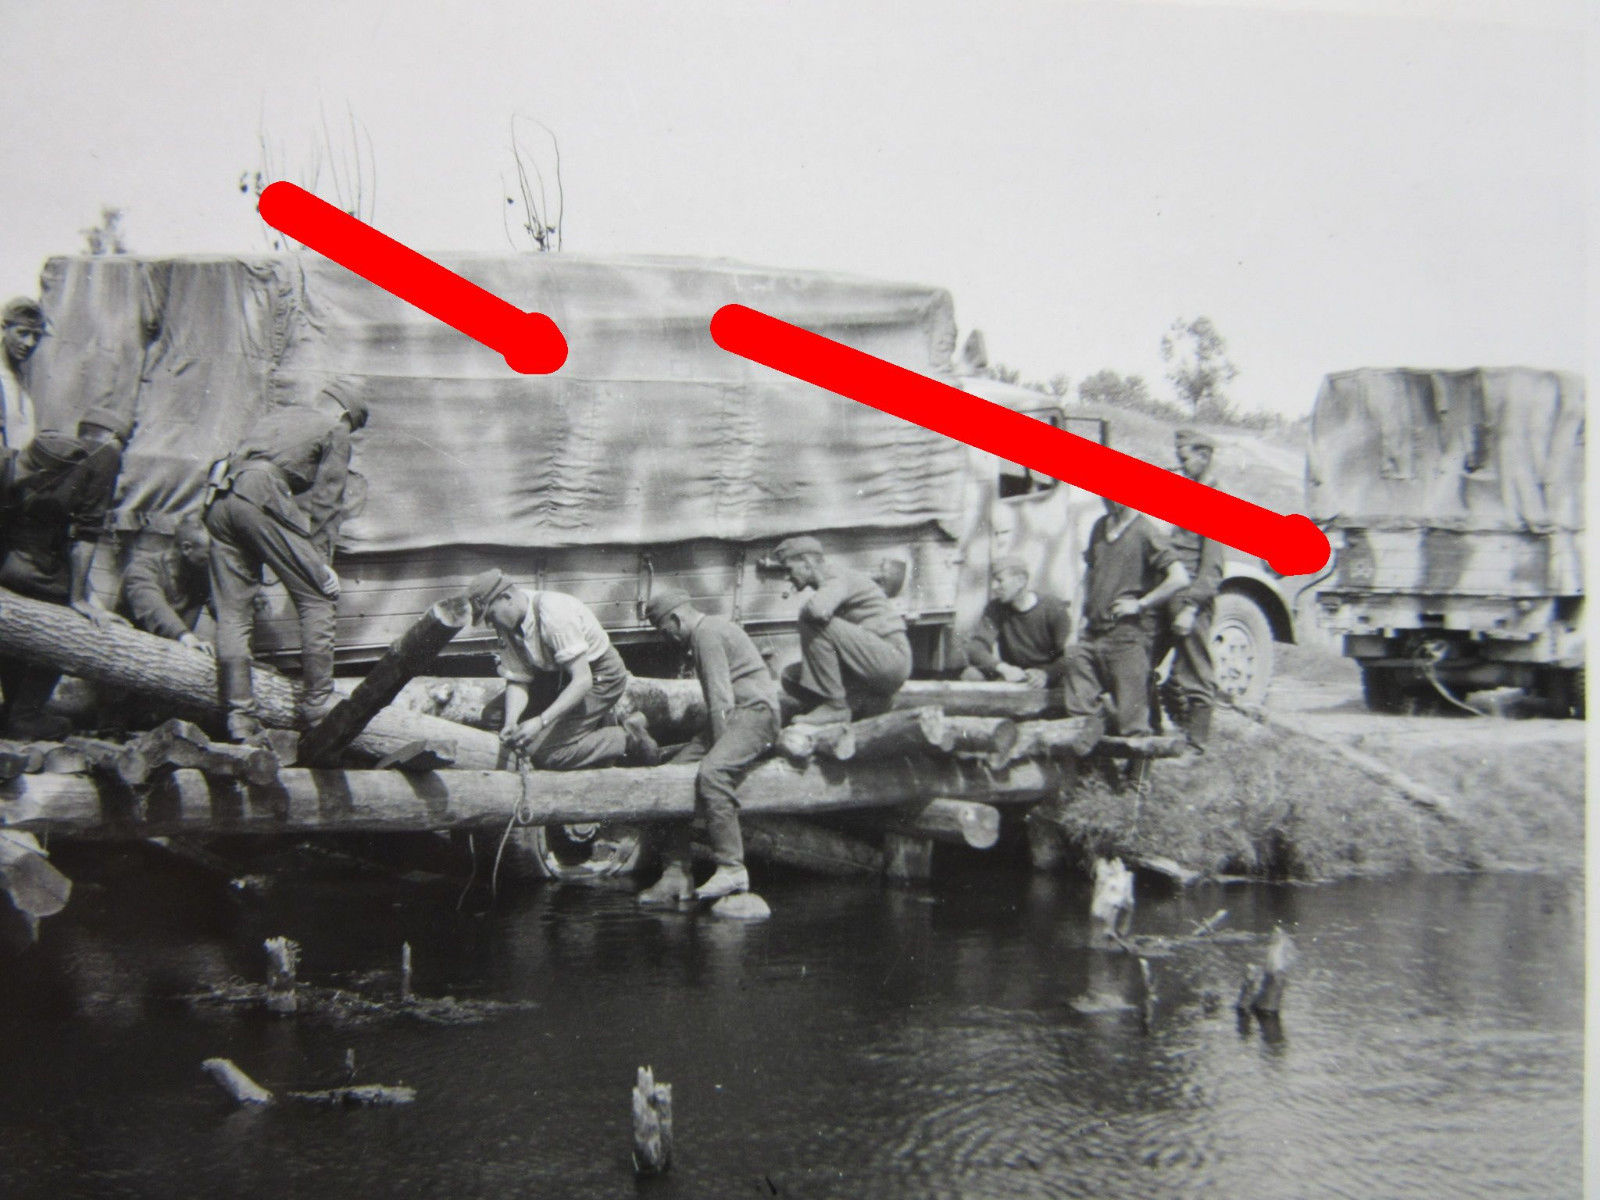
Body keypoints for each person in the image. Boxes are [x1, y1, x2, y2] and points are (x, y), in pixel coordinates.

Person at [204, 382, 364, 739]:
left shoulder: (280, 416)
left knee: (233, 613)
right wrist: (321, 563)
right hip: (259, 493)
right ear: (344, 415)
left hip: (221, 497)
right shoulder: (335, 428)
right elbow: (328, 499)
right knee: (319, 596)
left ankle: (239, 715)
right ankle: (318, 705)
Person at [636, 587, 779, 904]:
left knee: (713, 774)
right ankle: (676, 873)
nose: (665, 638)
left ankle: (732, 868)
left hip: (755, 716)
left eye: (663, 630)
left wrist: (718, 752)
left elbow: (720, 701)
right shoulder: (708, 631)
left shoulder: (707, 635)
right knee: (669, 775)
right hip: (737, 716)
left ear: (676, 619)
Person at [0, 405, 133, 738]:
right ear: (115, 439)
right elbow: (86, 537)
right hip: (40, 571)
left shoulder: (55, 450)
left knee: (18, 627)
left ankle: (13, 709)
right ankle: (26, 714)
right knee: (66, 624)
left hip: (8, 564)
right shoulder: (105, 457)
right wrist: (79, 599)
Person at [466, 568, 660, 770]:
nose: (489, 624)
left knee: (548, 754)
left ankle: (627, 736)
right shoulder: (508, 625)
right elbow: (518, 678)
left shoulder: (554, 614)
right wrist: (511, 722)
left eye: (490, 615)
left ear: (506, 598)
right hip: (557, 675)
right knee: (494, 716)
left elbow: (582, 681)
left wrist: (541, 721)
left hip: (599, 677)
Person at [1060, 497, 1190, 736]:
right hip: (1091, 635)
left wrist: (1140, 604)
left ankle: (1138, 756)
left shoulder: (1145, 531)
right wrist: (1074, 628)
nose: (1107, 500)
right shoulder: (1100, 527)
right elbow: (1087, 579)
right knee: (1080, 714)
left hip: (1126, 636)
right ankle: (1092, 754)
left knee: (1133, 725)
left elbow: (1179, 578)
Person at [771, 535, 911, 725]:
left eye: (789, 569)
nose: (787, 577)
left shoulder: (836, 576)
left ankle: (835, 707)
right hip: (872, 662)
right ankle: (860, 706)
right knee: (792, 677)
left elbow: (817, 611)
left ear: (806, 562)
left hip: (890, 659)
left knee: (810, 618)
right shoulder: (831, 580)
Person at [1152, 429, 1225, 749]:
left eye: (1184, 459)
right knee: (1144, 659)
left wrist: (1191, 607)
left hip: (1190, 599)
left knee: (1196, 671)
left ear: (1204, 457)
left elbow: (1212, 568)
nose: (1179, 465)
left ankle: (1196, 745)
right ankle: (1157, 730)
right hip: (1170, 593)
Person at [961, 555, 1073, 686]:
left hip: (1046, 678)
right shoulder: (995, 608)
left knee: (1070, 678)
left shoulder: (1053, 607)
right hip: (1014, 675)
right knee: (971, 674)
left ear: (1021, 581)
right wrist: (1003, 668)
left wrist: (1046, 674)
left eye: (999, 580)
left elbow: (1069, 655)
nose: (994, 587)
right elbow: (976, 647)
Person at [121, 512, 215, 654]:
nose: (214, 564)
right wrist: (185, 636)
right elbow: (155, 609)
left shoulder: (200, 574)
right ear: (187, 548)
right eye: (209, 556)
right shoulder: (141, 569)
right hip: (131, 649)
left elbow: (221, 608)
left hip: (171, 652)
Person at [0, 298, 45, 452]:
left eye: (36, 336)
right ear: (4, 328)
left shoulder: (25, 381)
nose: (29, 343)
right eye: (22, 333)